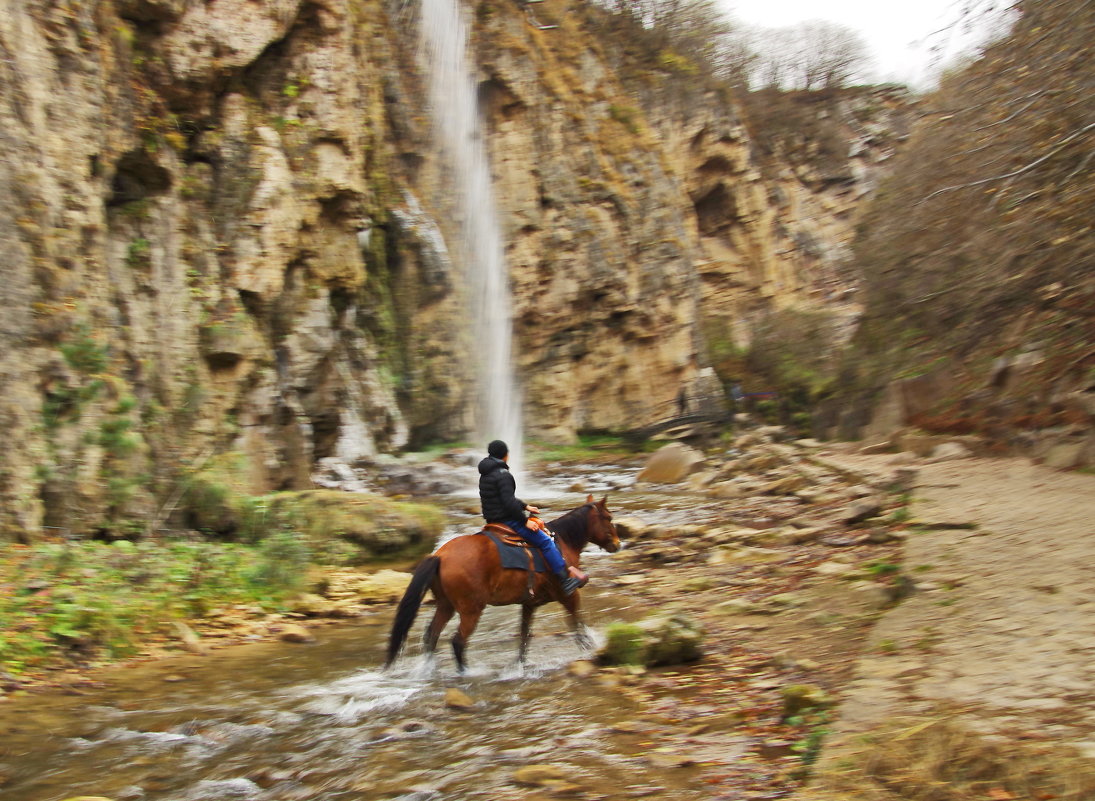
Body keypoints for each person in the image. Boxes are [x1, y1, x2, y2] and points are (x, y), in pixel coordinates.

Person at [478, 439, 586, 596]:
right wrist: (525, 521)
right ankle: (565, 580)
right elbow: (508, 503)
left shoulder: (486, 473)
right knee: (546, 542)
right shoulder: (504, 475)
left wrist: (525, 506)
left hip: (492, 520)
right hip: (508, 520)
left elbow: (501, 498)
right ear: (505, 456)